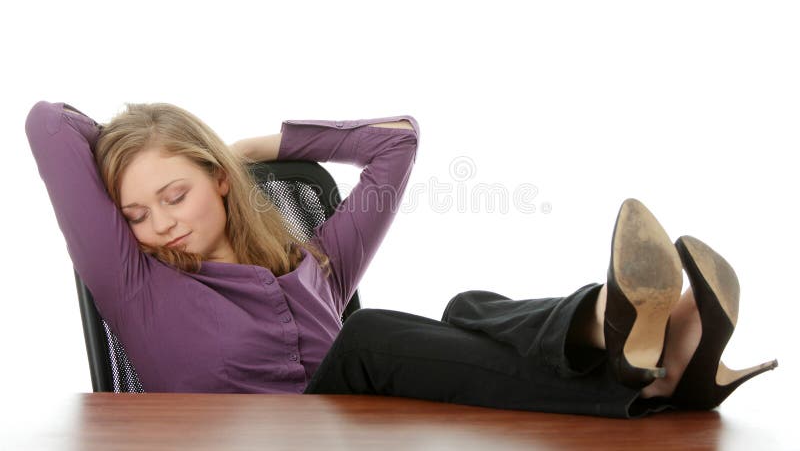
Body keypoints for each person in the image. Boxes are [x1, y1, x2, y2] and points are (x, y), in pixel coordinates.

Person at [25, 100, 777, 418]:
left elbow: (395, 143)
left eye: (176, 193)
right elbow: (47, 122)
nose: (159, 224)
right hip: (263, 441)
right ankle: (637, 358)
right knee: (372, 336)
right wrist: (148, 157)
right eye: (135, 214)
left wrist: (245, 147)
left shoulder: (313, 262)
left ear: (221, 180)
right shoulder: (138, 286)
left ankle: (634, 348)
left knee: (469, 306)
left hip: (361, 427)